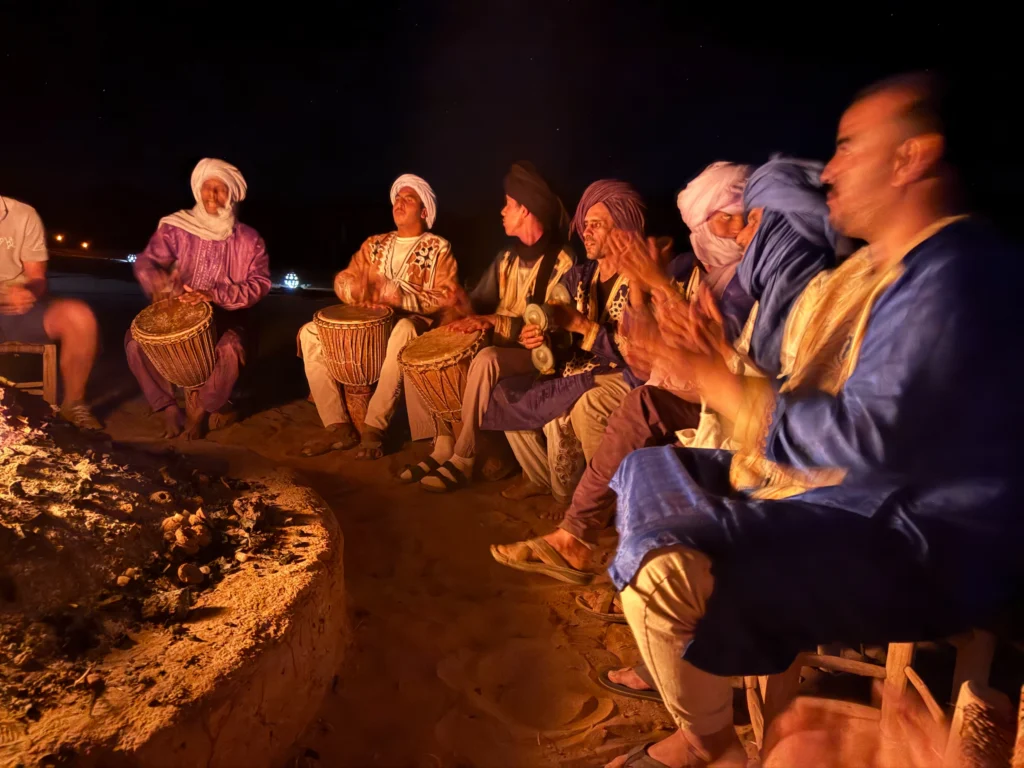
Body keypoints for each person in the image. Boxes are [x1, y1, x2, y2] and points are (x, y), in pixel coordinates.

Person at [603, 74, 1024, 768]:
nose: (829, 170)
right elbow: (799, 385)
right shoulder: (873, 274)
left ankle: (710, 737)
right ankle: (709, 727)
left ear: (910, 158)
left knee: (683, 566)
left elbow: (865, 439)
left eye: (849, 148)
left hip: (903, 533)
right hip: (845, 493)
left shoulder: (950, 274)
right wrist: (715, 367)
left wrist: (725, 385)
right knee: (647, 473)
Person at [480, 180, 645, 512]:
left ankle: (596, 505)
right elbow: (553, 322)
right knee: (505, 392)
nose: (586, 232)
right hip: (576, 369)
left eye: (596, 225)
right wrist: (538, 335)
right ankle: (540, 478)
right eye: (585, 225)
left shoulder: (642, 282)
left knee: (574, 405)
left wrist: (583, 326)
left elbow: (639, 355)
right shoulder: (580, 277)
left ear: (623, 230)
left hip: (620, 375)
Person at [411, 161, 575, 492]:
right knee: (438, 341)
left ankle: (464, 458)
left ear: (525, 211)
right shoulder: (506, 258)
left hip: (537, 355)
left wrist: (492, 321)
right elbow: (479, 305)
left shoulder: (562, 261)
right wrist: (461, 303)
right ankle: (443, 443)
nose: (502, 211)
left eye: (508, 204)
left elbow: (555, 330)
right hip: (503, 344)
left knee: (486, 359)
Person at [297, 174, 461, 459]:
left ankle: (375, 426)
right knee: (309, 332)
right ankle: (337, 425)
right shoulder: (375, 244)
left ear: (424, 211)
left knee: (405, 329)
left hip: (411, 322)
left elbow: (446, 295)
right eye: (397, 198)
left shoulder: (438, 248)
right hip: (369, 324)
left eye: (408, 199)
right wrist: (354, 289)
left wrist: (399, 297)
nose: (399, 203)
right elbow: (346, 277)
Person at [126, 158, 271, 440]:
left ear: (231, 194)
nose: (213, 196)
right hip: (176, 310)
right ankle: (167, 407)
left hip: (226, 314)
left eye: (220, 189)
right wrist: (163, 286)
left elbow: (260, 284)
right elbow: (147, 262)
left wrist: (214, 294)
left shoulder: (249, 239)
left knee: (232, 347)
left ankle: (202, 410)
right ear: (197, 190)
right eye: (208, 188)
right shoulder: (176, 227)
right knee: (135, 344)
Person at [0, 195, 102, 429]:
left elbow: (37, 278)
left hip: (20, 308)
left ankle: (74, 404)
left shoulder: (22, 214)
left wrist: (27, 291)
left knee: (78, 316)